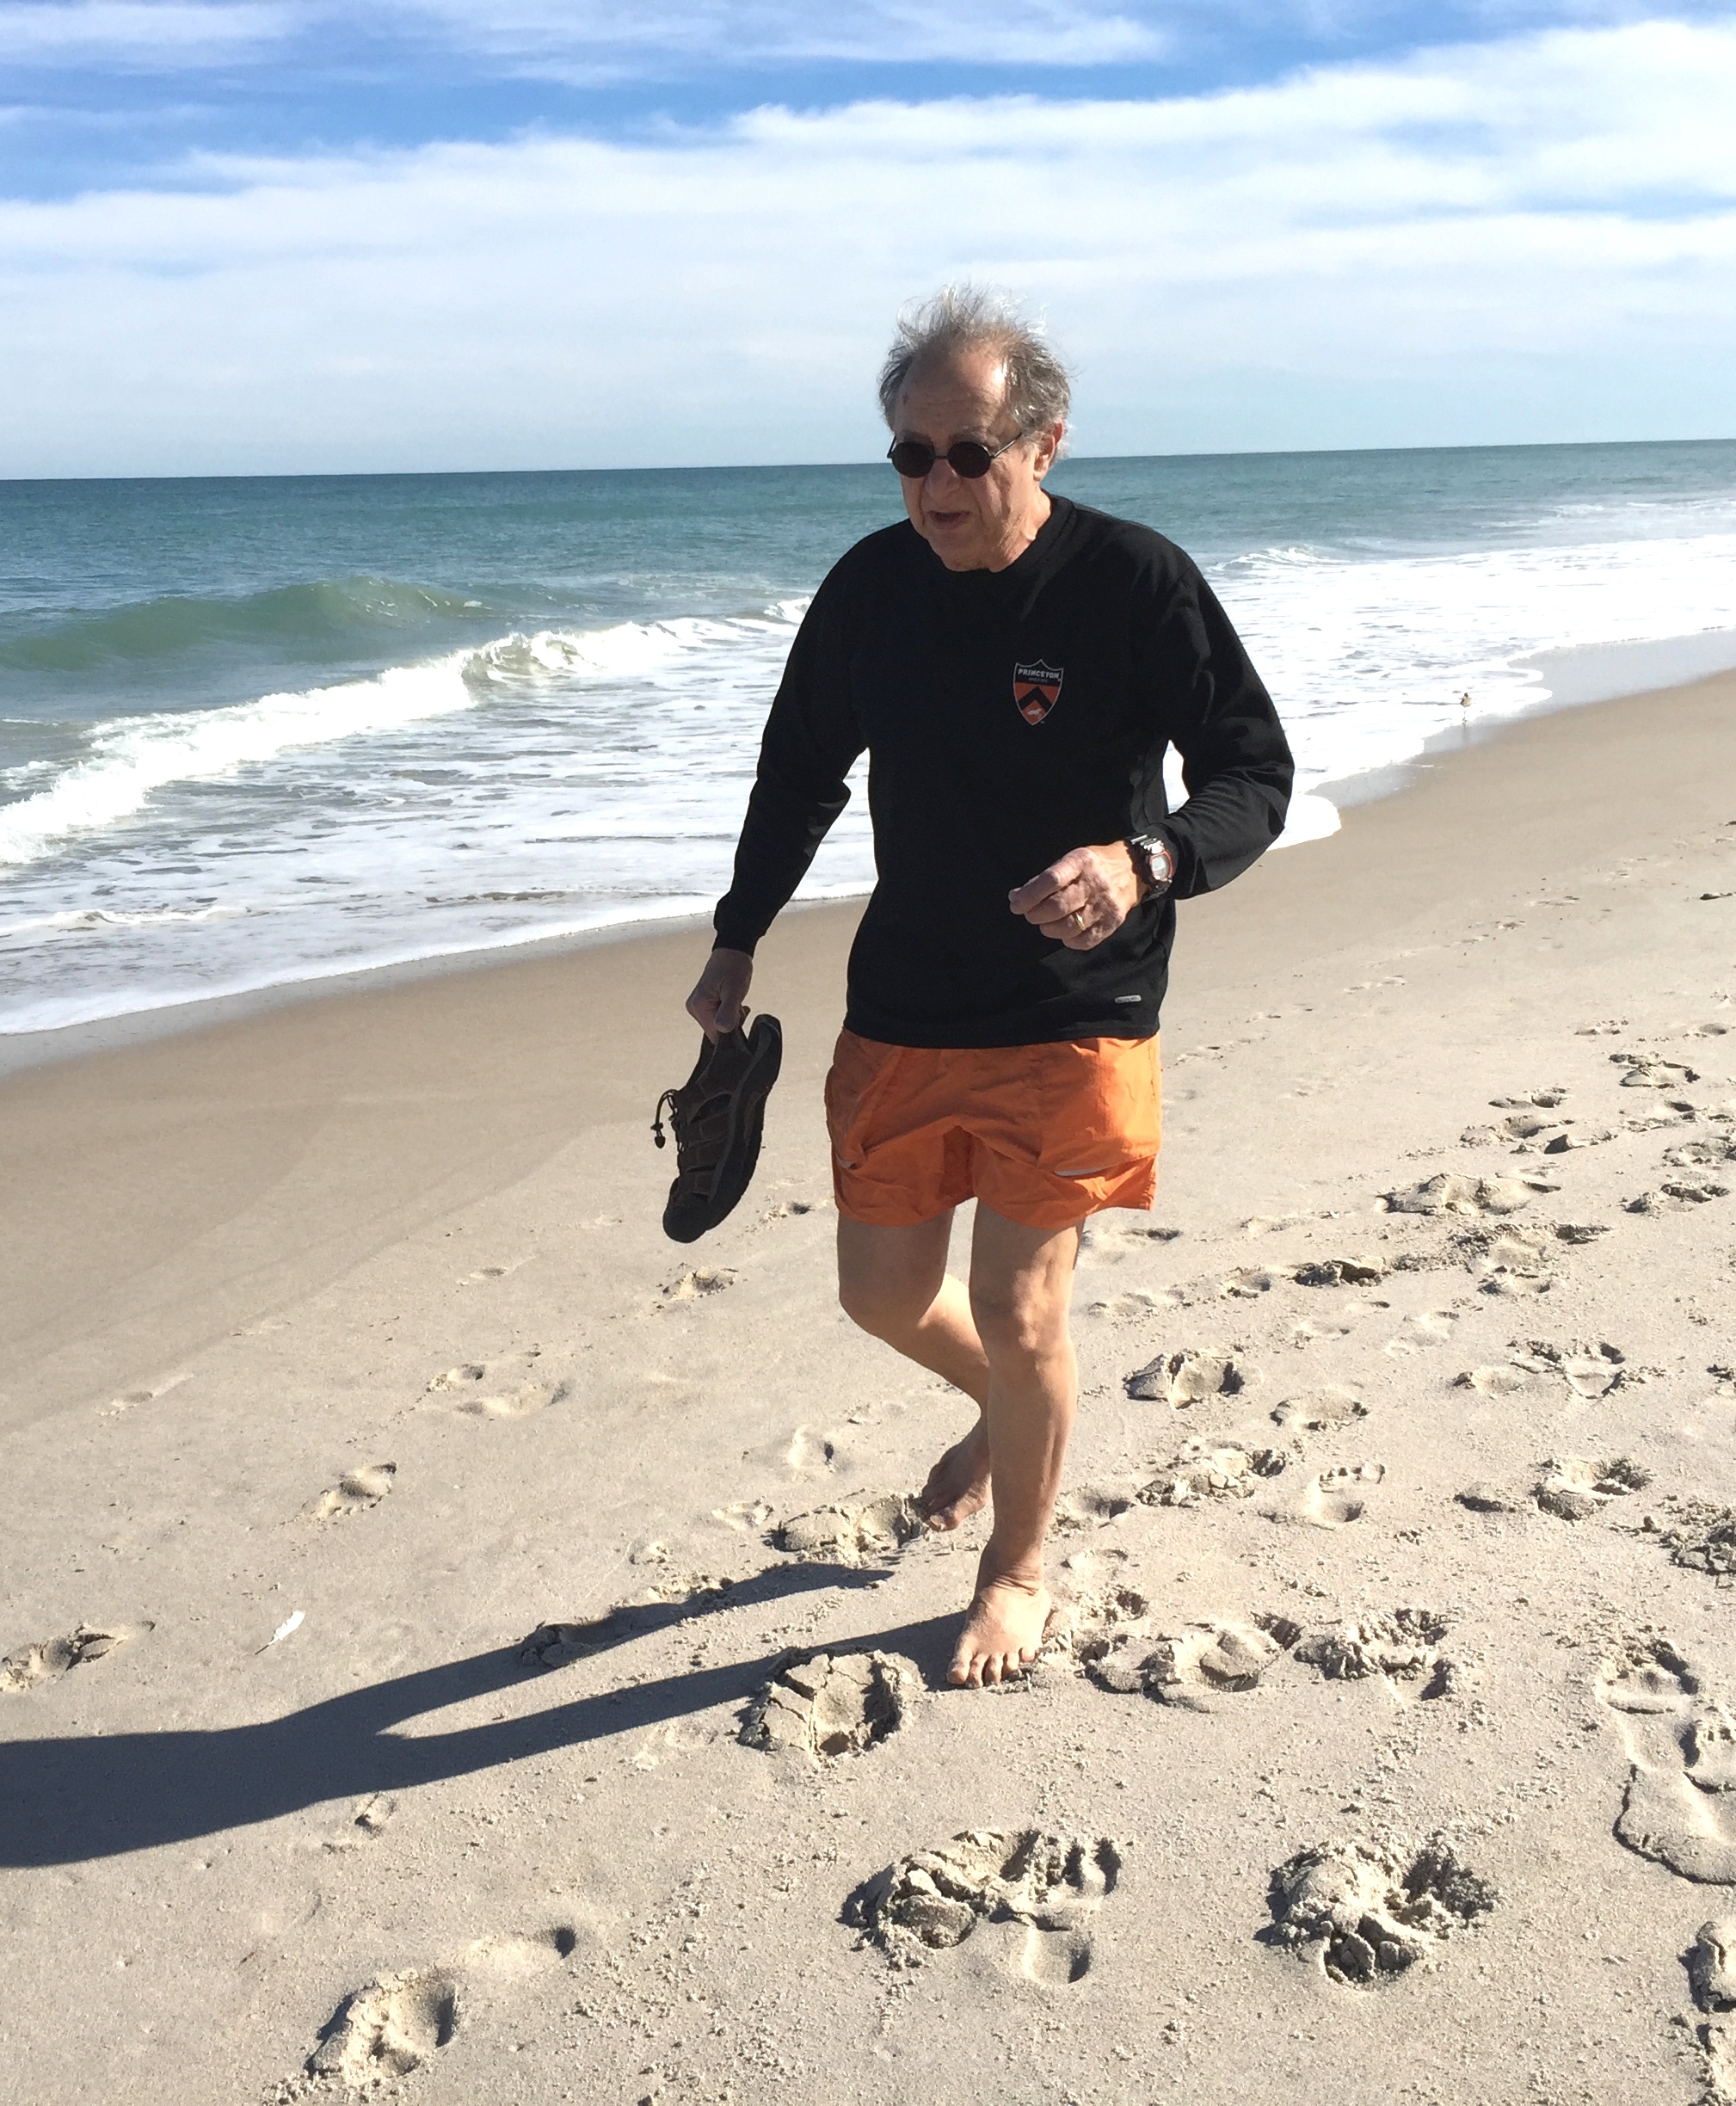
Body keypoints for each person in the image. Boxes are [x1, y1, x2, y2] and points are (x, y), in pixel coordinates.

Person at [685, 286, 1295, 1687]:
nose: (936, 483)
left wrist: (1145, 864)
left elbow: (1255, 776)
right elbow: (798, 776)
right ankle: (1009, 1413)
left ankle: (1017, 1570)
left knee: (1023, 1312)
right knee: (883, 1298)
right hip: (905, 1001)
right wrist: (737, 937)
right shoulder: (867, 591)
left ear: (1045, 443)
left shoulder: (1134, 583)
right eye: (911, 455)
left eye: (966, 453)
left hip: (1078, 1011)